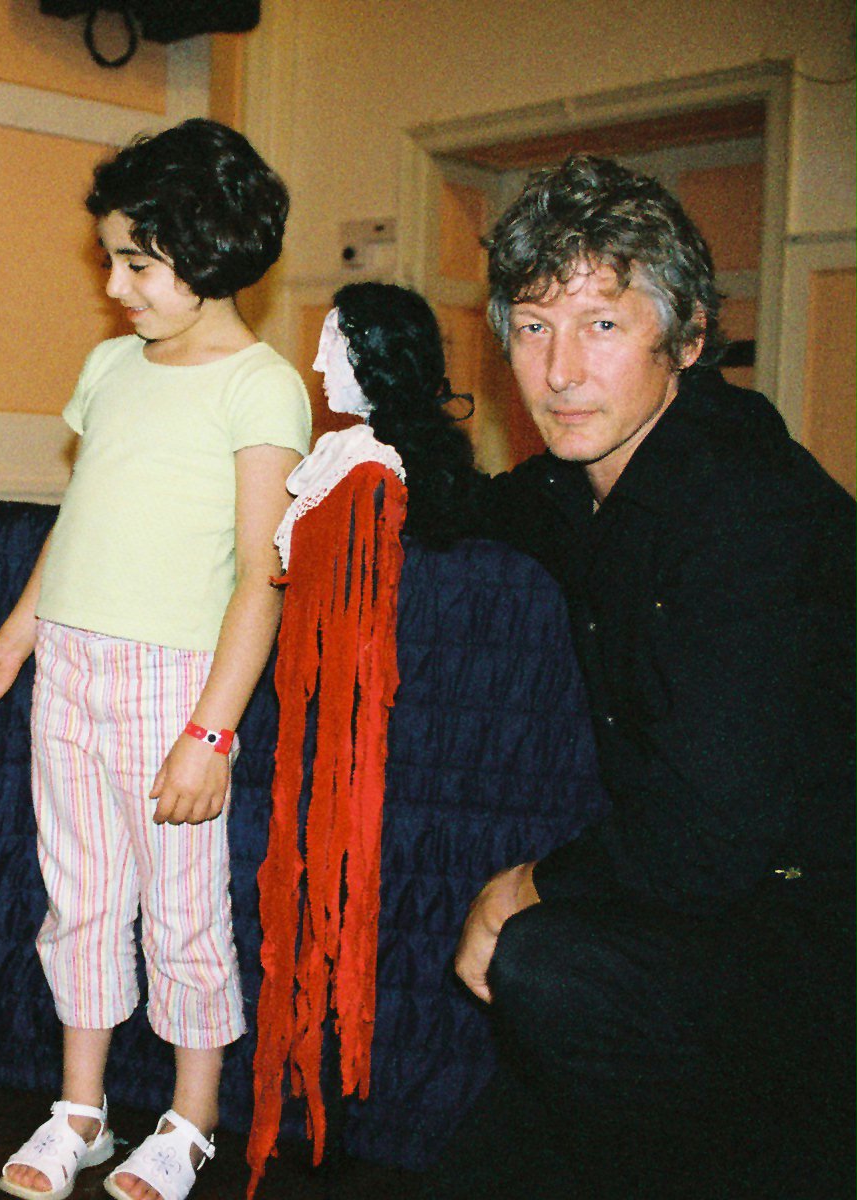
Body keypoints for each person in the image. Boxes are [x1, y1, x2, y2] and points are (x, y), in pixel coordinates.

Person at [427, 154, 856, 1198]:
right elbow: (479, 507)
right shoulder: (586, 484)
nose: (560, 370)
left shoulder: (746, 510)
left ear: (688, 340)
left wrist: (519, 889)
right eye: (533, 327)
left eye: (602, 325)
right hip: (718, 905)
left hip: (816, 931)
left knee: (540, 960)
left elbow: (712, 832)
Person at [0, 118, 308, 1200]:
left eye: (137, 263)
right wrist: (14, 641)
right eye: (111, 259)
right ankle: (81, 1111)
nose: (115, 285)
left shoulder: (261, 385)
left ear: (209, 257)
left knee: (180, 909)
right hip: (68, 662)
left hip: (177, 683)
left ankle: (190, 1118)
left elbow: (262, 574)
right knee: (79, 896)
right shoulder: (110, 366)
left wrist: (212, 732)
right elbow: (80, 517)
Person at [250, 283, 480, 1184]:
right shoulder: (347, 457)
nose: (315, 364)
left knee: (334, 915)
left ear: (380, 357)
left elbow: (357, 631)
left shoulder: (373, 470)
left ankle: (329, 1119)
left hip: (348, 741)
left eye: (335, 346)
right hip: (313, 725)